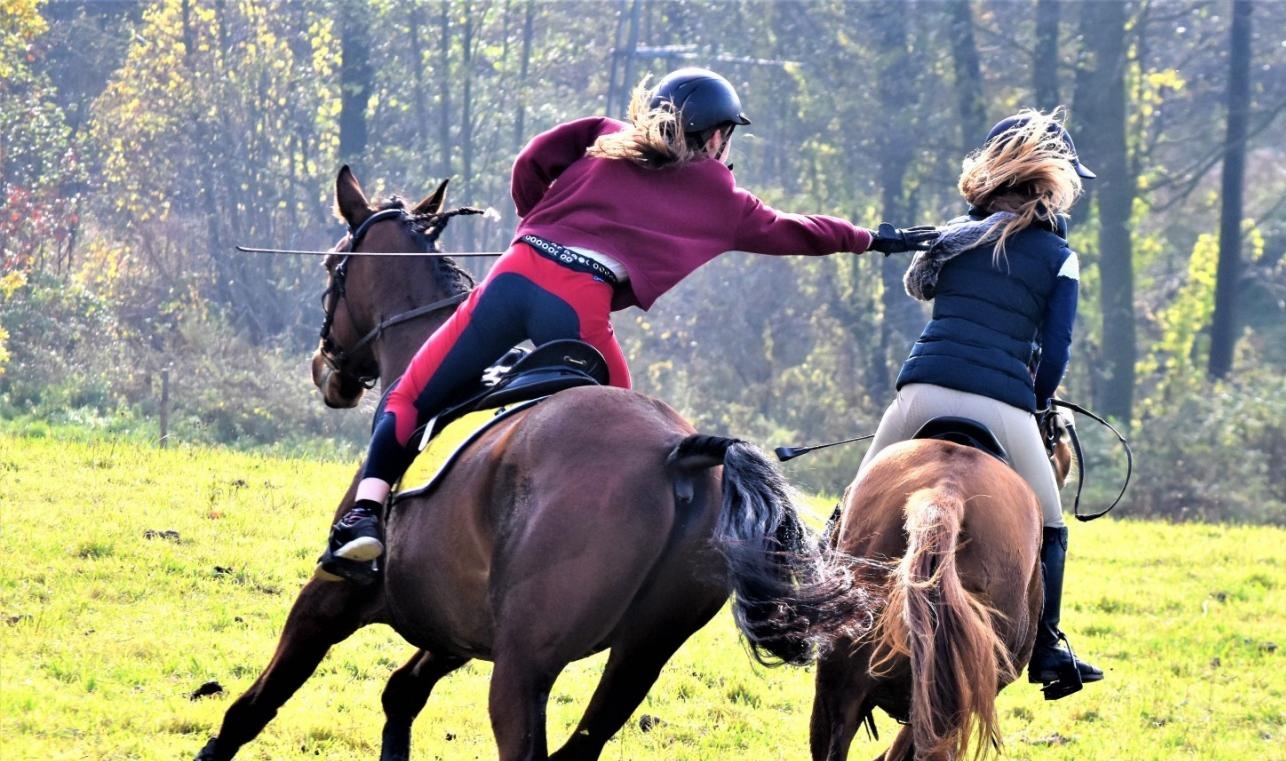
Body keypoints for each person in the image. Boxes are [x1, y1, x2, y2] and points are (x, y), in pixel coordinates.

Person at [316, 67, 933, 583]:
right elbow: (799, 232)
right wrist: (877, 240)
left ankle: (365, 517)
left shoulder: (605, 136)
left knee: (409, 394)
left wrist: (543, 220)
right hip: (576, 308)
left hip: (511, 277)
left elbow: (531, 160)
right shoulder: (721, 197)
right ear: (716, 137)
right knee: (635, 437)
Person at [850, 108, 1102, 697]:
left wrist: (964, 228)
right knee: (1051, 523)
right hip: (1004, 406)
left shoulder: (953, 236)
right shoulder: (1059, 258)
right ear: (1048, 184)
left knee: (857, 501)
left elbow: (921, 286)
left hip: (921, 391)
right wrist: (1036, 401)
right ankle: (1047, 647)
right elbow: (1058, 350)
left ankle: (819, 597)